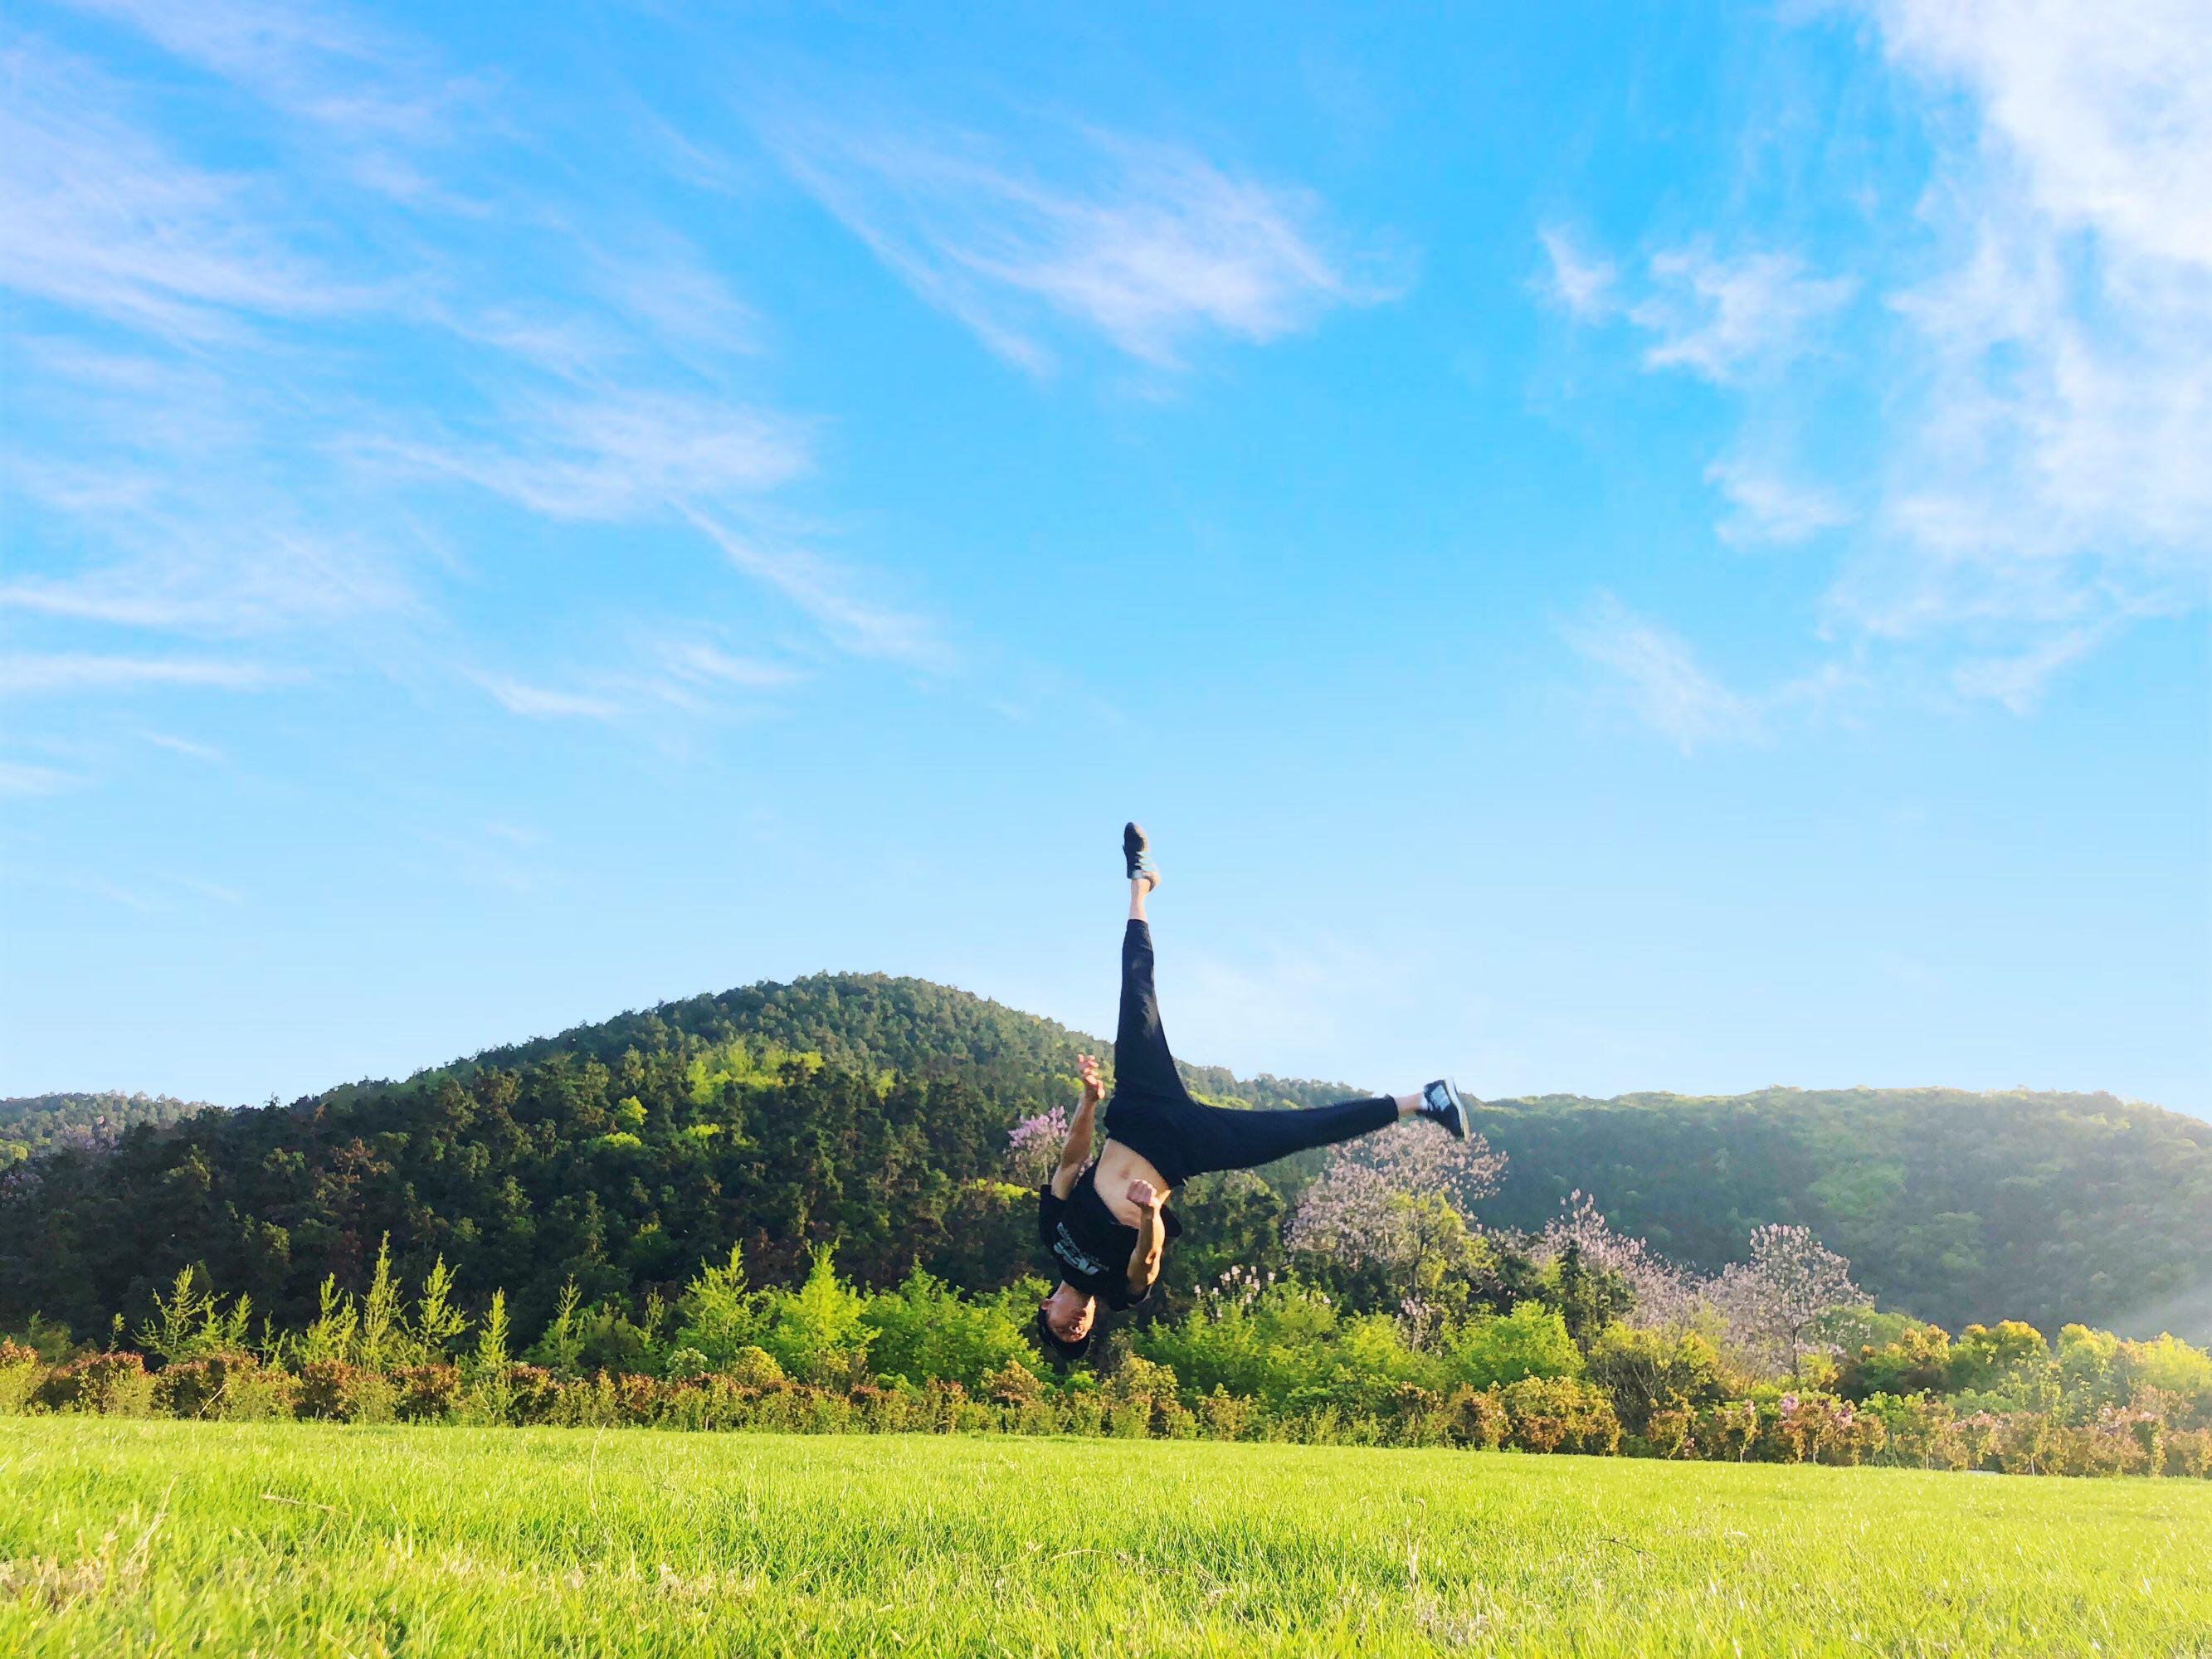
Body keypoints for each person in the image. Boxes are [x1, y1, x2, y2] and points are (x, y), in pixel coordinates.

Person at [1034, 824, 1471, 1362]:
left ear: (1046, 1309)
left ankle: (1139, 884)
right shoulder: (1118, 1295)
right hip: (1183, 1150)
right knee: (1296, 1132)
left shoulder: (1053, 1236)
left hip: (1136, 1116)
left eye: (1062, 1328)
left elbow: (1069, 1163)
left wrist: (1088, 1101)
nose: (1075, 1326)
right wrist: (1148, 1218)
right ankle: (1424, 1100)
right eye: (1079, 1334)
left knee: (1136, 990)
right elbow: (1146, 1264)